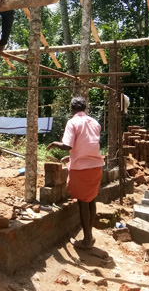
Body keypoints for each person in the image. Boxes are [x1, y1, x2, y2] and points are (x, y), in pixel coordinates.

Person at [46, 97, 103, 250]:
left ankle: (86, 240)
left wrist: (53, 144)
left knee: (83, 202)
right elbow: (88, 145)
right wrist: (72, 156)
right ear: (85, 108)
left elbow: (67, 145)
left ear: (72, 109)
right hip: (96, 166)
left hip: (82, 168)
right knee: (91, 200)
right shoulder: (95, 123)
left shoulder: (73, 122)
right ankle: (89, 235)